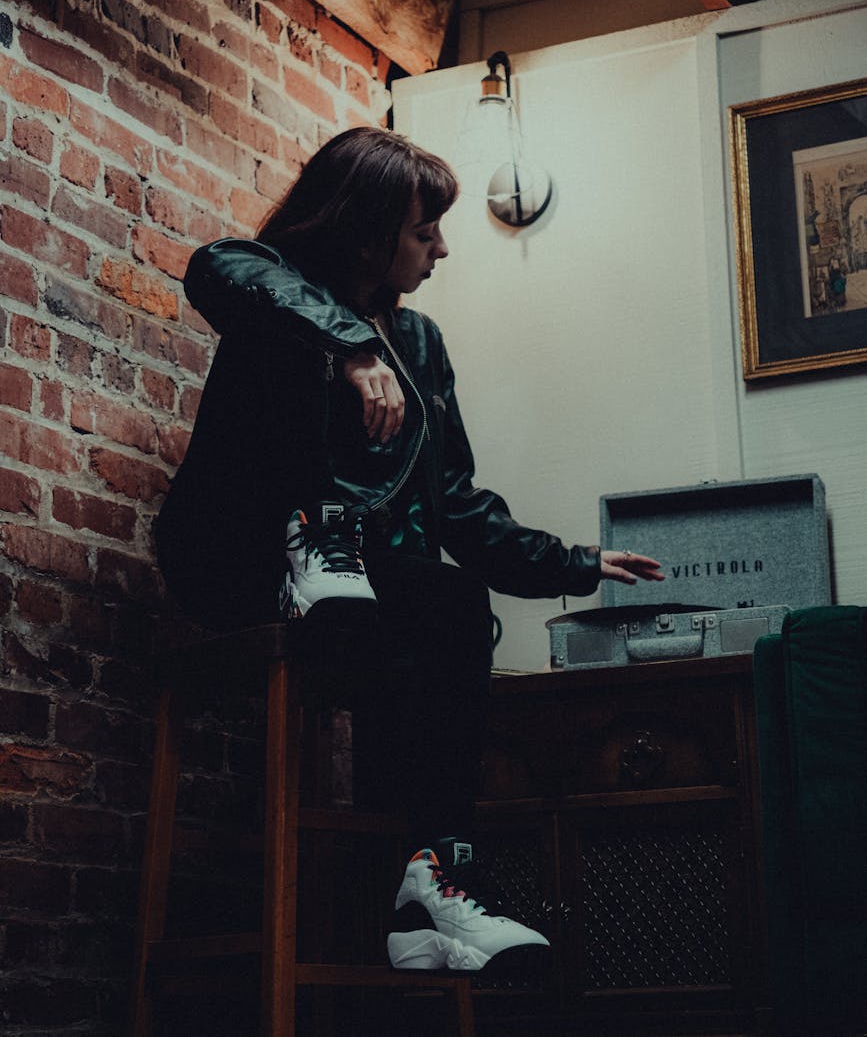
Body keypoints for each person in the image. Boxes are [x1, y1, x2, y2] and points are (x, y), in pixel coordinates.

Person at [155, 126, 663, 975]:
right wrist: (346, 345)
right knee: (289, 328)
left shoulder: (419, 345)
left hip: (349, 585)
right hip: (235, 561)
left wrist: (574, 563)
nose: (442, 250)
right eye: (425, 233)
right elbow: (216, 263)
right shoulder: (272, 289)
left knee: (450, 606)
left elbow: (454, 502)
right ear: (366, 231)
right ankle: (313, 545)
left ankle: (428, 885)